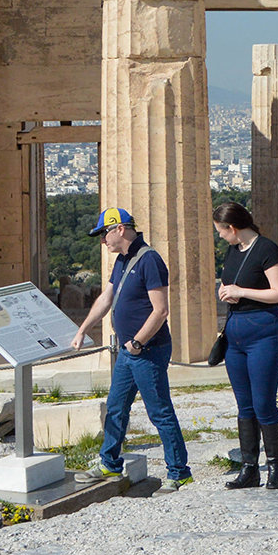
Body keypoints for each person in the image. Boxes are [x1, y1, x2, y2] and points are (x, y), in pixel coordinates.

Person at [69, 206, 192, 487]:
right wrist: (83, 329)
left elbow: (160, 310)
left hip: (147, 350)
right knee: (116, 407)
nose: (102, 241)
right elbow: (106, 298)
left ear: (120, 229)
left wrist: (138, 342)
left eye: (103, 234)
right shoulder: (123, 260)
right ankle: (110, 463)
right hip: (129, 352)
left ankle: (179, 472)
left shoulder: (149, 260)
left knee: (159, 411)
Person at [213, 200, 278, 490]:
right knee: (244, 404)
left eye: (221, 230)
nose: (220, 236)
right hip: (236, 332)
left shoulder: (267, 249)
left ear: (233, 228)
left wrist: (241, 291)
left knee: (263, 403)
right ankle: (249, 467)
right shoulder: (233, 251)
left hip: (264, 330)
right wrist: (227, 293)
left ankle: (276, 467)